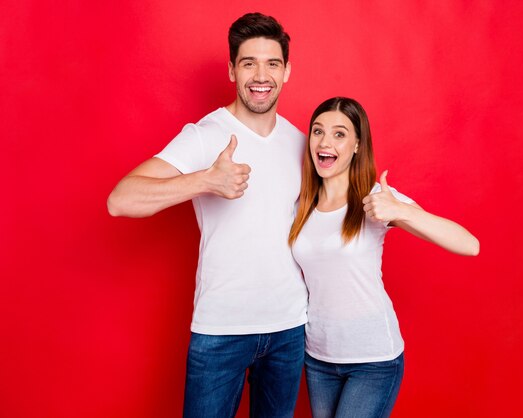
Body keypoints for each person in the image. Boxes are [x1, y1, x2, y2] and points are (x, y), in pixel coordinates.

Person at [107, 13, 308, 418]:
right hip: (221, 331)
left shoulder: (301, 140)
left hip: (289, 328)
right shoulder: (206, 134)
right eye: (248, 62)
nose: (260, 75)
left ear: (287, 71)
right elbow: (120, 200)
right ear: (232, 69)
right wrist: (205, 181)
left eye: (272, 63)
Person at [289, 97, 480, 418]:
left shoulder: (375, 198)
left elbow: (468, 244)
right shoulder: (300, 206)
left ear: (356, 145)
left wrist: (401, 211)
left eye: (339, 134)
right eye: (318, 131)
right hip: (318, 357)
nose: (325, 142)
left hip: (372, 359)